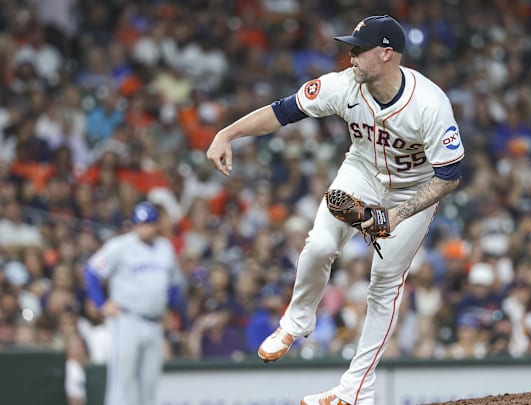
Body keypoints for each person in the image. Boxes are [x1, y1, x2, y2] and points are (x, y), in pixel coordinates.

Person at [206, 15, 464, 405]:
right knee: (320, 245)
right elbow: (282, 111)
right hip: (361, 171)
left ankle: (354, 391)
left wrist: (396, 216)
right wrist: (227, 133)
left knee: (384, 285)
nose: (350, 56)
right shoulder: (342, 86)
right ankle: (295, 324)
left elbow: (450, 175)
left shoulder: (429, 104)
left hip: (413, 189)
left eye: (359, 50)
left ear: (387, 53)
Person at [84, 202, 185, 405]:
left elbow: (175, 284)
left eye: (147, 224)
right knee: (122, 382)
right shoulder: (120, 246)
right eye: (139, 224)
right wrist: (101, 304)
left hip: (155, 323)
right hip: (127, 320)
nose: (142, 228)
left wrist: (171, 309)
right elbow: (91, 271)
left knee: (149, 384)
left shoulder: (165, 248)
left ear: (156, 225)